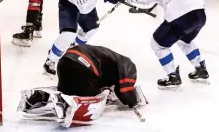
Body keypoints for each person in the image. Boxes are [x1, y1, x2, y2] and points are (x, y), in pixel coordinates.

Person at [104, 0, 210, 90]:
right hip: (200, 13)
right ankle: (201, 69)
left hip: (181, 15)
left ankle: (173, 77)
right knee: (185, 40)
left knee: (158, 43)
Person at [17, 44, 147, 127]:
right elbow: (125, 91)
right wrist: (133, 101)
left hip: (65, 62)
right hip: (83, 66)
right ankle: (66, 102)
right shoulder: (129, 65)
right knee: (89, 97)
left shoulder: (113, 60)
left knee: (68, 91)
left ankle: (41, 98)